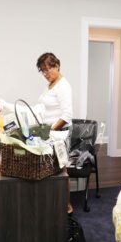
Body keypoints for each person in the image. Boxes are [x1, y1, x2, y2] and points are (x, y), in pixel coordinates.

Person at [37, 52, 74, 215]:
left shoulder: (63, 86)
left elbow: (66, 115)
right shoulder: (51, 85)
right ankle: (54, 203)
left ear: (57, 66)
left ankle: (67, 207)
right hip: (50, 133)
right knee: (52, 170)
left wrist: (50, 131)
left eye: (48, 69)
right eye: (42, 71)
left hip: (59, 134)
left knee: (61, 170)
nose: (46, 74)